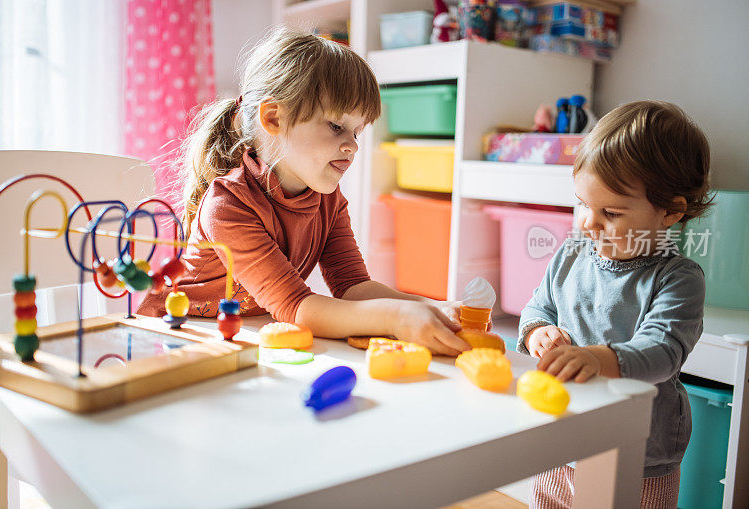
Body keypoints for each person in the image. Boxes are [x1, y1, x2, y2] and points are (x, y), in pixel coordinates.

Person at [138, 27, 469, 356]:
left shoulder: (329, 201)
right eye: (336, 126)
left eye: (357, 132)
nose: (352, 145)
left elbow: (353, 286)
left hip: (242, 340)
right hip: (170, 340)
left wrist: (435, 307)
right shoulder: (228, 205)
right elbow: (296, 306)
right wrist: (396, 318)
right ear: (273, 118)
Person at [517, 100, 712, 508]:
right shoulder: (571, 254)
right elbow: (539, 307)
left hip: (638, 454)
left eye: (611, 212)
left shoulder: (678, 278)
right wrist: (538, 332)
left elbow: (661, 352)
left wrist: (595, 359)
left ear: (670, 212)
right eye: (583, 204)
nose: (589, 222)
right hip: (561, 437)